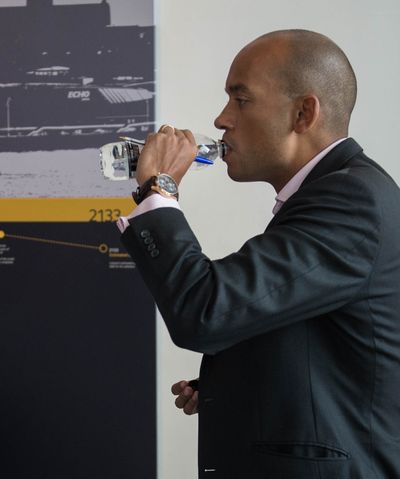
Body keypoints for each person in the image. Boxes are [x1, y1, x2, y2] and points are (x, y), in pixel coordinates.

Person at [119, 29, 400, 478]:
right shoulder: (340, 193)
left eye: (241, 99)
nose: (222, 118)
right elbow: (309, 332)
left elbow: (206, 310)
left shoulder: (352, 201)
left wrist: (160, 191)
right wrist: (231, 381)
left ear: (304, 113)